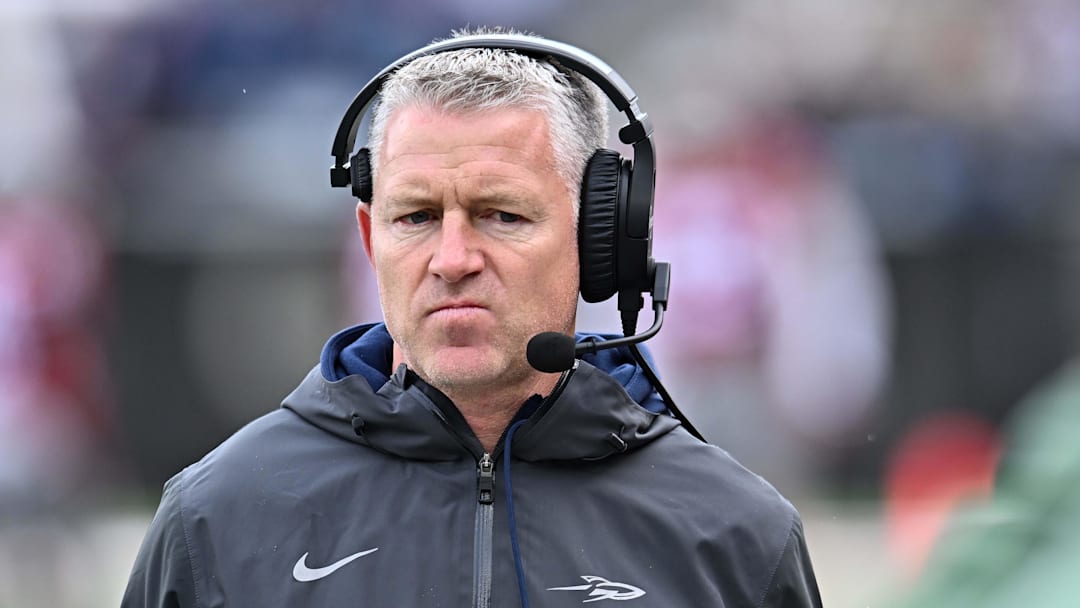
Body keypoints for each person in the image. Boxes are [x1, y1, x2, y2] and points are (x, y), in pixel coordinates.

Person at [122, 29, 823, 608]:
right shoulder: (216, 521)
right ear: (371, 241)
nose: (452, 258)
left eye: (501, 214)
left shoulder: (735, 536)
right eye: (417, 217)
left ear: (595, 241)